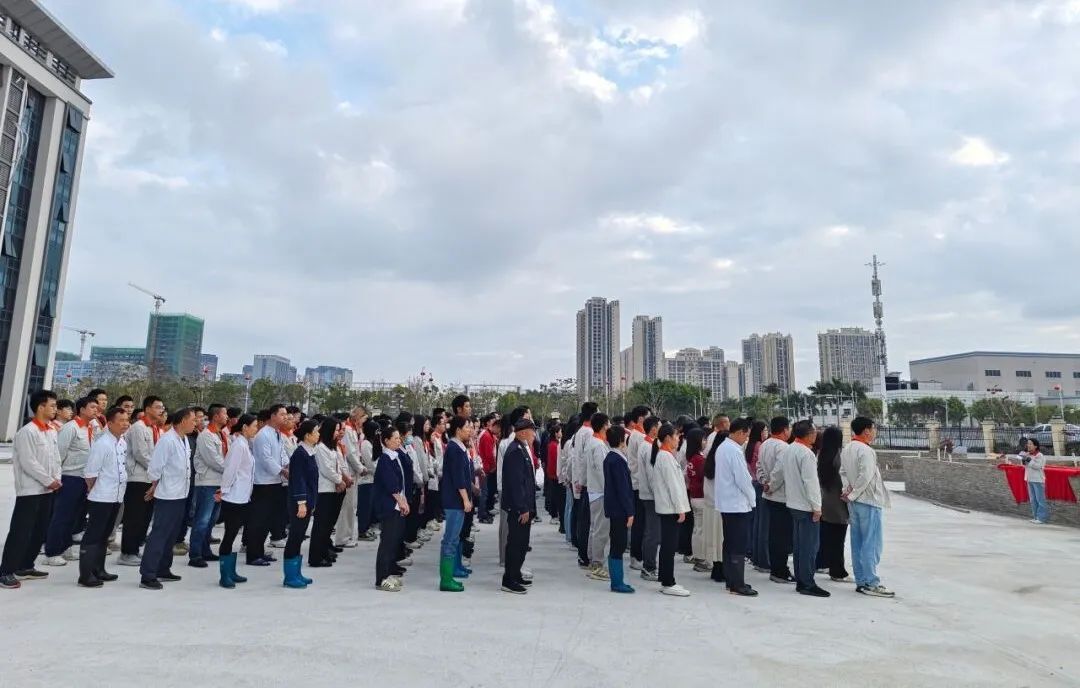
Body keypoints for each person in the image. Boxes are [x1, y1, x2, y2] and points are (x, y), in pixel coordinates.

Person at [0, 390, 61, 589]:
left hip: (48, 489)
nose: (55, 409)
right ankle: (6, 571)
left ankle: (25, 565)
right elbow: (28, 462)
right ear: (40, 407)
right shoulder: (27, 432)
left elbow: (56, 458)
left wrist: (56, 478)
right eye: (52, 405)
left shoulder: (51, 430)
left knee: (39, 531)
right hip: (31, 490)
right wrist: (48, 480)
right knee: (21, 531)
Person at [139, 408, 197, 590]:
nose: (195, 423)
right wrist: (154, 485)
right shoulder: (167, 440)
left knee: (171, 534)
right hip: (168, 495)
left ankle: (163, 568)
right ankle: (148, 575)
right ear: (182, 421)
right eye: (193, 420)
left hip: (181, 493)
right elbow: (155, 468)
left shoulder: (184, 439)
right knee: (160, 534)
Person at [840, 417, 895, 598]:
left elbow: (843, 472)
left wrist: (847, 490)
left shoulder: (848, 448)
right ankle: (871, 582)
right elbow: (866, 476)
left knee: (858, 542)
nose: (875, 432)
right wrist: (853, 493)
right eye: (873, 428)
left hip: (854, 502)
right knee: (871, 543)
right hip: (868, 501)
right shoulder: (866, 450)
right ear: (866, 431)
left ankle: (861, 580)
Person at [79, 405, 130, 588]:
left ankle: (99, 569)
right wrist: (96, 490)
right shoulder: (102, 443)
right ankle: (85, 574)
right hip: (101, 497)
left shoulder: (122, 442)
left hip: (116, 496)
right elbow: (90, 473)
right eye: (121, 421)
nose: (125, 424)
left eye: (127, 420)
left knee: (105, 535)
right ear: (110, 423)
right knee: (93, 535)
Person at [43, 396, 98, 566]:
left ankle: (65, 547)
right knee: (62, 516)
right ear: (81, 409)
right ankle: (52, 552)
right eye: (92, 407)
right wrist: (56, 477)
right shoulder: (71, 428)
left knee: (73, 516)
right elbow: (58, 454)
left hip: (83, 478)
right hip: (69, 477)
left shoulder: (89, 428)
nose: (96, 410)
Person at [781, 420, 829, 598]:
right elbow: (811, 482)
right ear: (809, 434)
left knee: (800, 546)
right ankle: (807, 582)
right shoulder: (806, 453)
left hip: (794, 503)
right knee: (809, 547)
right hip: (806, 505)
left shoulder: (790, 449)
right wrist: (817, 507)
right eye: (814, 432)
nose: (816, 435)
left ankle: (802, 580)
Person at [118, 396, 165, 567]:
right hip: (138, 478)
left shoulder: (156, 428)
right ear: (148, 409)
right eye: (158, 407)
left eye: (162, 407)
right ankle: (127, 552)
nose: (161, 410)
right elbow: (141, 454)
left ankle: (135, 548)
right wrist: (157, 471)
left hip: (151, 478)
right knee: (134, 516)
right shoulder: (139, 427)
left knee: (145, 517)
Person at [715, 418, 758, 597]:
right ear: (740, 432)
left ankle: (731, 580)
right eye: (746, 436)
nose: (746, 439)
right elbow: (743, 479)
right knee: (738, 545)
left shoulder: (722, 447)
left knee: (729, 543)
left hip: (727, 503)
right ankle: (737, 584)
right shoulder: (734, 450)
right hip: (737, 504)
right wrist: (753, 500)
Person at [649, 423, 691, 597]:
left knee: (668, 545)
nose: (678, 439)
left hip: (669, 507)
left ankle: (666, 579)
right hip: (670, 508)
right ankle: (668, 582)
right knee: (669, 545)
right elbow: (673, 486)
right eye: (676, 436)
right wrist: (680, 509)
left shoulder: (666, 455)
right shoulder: (665, 457)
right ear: (667, 438)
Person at [217, 413, 258, 589]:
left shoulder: (244, 444)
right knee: (229, 535)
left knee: (233, 534)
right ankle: (224, 575)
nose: (256, 429)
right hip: (233, 497)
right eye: (254, 426)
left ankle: (231, 570)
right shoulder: (238, 446)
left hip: (242, 496)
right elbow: (230, 470)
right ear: (244, 427)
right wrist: (224, 490)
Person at [247, 405, 288, 566]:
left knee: (268, 520)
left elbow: (282, 454)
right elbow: (265, 459)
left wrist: (287, 466)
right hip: (263, 483)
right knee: (258, 520)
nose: (285, 417)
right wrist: (282, 471)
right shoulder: (263, 434)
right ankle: (253, 554)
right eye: (282, 414)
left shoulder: (277, 433)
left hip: (275, 482)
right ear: (273, 416)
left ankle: (260, 551)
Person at [282, 419, 320, 589]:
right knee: (295, 536)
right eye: (316, 432)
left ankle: (296, 572)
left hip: (308, 500)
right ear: (307, 435)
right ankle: (290, 576)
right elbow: (298, 480)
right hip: (299, 502)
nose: (318, 434)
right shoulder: (300, 454)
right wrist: (302, 503)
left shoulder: (309, 452)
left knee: (299, 536)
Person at [501, 418, 537, 595]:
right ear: (522, 433)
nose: (534, 435)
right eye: (532, 431)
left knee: (522, 543)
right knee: (515, 543)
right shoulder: (515, 451)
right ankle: (509, 579)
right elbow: (516, 484)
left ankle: (516, 573)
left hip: (525, 505)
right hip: (518, 508)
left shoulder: (522, 448)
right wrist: (522, 508)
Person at [189, 404, 227, 568]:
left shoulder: (221, 434)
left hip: (219, 482)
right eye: (224, 414)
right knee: (202, 520)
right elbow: (214, 460)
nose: (226, 416)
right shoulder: (206, 436)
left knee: (211, 520)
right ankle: (195, 554)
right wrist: (231, 470)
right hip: (207, 482)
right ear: (216, 416)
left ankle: (205, 550)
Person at [439, 416, 474, 592]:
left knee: (454, 538)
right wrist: (466, 499)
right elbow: (458, 478)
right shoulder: (454, 449)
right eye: (467, 427)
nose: (470, 430)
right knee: (450, 539)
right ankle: (446, 579)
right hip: (454, 501)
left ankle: (451, 571)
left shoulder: (460, 447)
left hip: (457, 500)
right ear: (458, 430)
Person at [373, 427, 409, 592]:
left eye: (398, 438)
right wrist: (401, 502)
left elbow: (400, 484)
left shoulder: (395, 456)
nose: (398, 441)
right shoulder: (385, 459)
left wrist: (404, 501)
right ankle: (381, 579)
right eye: (395, 438)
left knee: (394, 540)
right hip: (389, 506)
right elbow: (391, 485)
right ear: (386, 441)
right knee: (387, 542)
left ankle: (388, 573)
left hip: (397, 504)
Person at [760, 416, 795, 584]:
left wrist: (764, 482)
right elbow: (780, 470)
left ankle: (776, 568)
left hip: (770, 495)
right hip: (780, 496)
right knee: (782, 536)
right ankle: (780, 570)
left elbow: (759, 466)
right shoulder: (783, 447)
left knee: (774, 534)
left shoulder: (765, 444)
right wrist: (771, 485)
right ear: (784, 430)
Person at [310, 418, 348, 568]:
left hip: (332, 488)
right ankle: (316, 557)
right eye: (336, 430)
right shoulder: (320, 448)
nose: (338, 433)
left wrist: (340, 480)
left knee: (327, 525)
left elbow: (337, 466)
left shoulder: (331, 447)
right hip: (324, 490)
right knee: (321, 525)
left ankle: (324, 552)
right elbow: (327, 469)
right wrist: (340, 480)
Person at [603, 425, 635, 594]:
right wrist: (629, 511)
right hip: (619, 509)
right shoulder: (617, 460)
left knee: (617, 543)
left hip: (614, 507)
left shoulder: (611, 457)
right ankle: (616, 581)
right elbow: (623, 489)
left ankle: (618, 579)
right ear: (622, 440)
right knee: (619, 544)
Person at [816, 426, 850, 582]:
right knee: (838, 539)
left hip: (825, 501)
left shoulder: (821, 455)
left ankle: (822, 563)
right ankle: (837, 571)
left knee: (825, 535)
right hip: (838, 502)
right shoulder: (839, 457)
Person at [336, 406, 368, 547]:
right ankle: (342, 537)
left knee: (351, 506)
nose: (363, 422)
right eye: (363, 419)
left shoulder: (354, 430)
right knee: (347, 506)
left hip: (353, 471)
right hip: (348, 471)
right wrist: (360, 468)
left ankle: (347, 535)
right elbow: (350, 453)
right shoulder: (348, 430)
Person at [585, 412, 612, 581]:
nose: (609, 428)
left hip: (594, 491)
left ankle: (592, 560)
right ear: (603, 426)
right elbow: (603, 472)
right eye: (608, 425)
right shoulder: (599, 445)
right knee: (601, 531)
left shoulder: (593, 442)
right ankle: (597, 564)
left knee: (594, 528)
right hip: (600, 492)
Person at [637, 416, 662, 581]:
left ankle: (649, 565)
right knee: (653, 533)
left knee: (652, 531)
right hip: (651, 496)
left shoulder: (648, 444)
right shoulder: (648, 447)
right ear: (653, 429)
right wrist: (659, 494)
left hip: (649, 494)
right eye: (659, 426)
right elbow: (652, 475)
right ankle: (649, 567)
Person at [571, 402, 597, 568]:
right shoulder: (588, 433)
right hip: (588, 482)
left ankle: (583, 554)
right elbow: (586, 460)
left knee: (583, 519)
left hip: (582, 480)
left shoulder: (580, 431)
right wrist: (582, 480)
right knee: (587, 521)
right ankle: (585, 555)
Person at [745, 420, 769, 572]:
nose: (766, 432)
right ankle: (762, 558)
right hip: (760, 484)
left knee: (756, 521)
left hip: (753, 482)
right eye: (765, 430)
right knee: (762, 523)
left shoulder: (750, 445)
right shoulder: (760, 446)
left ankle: (753, 553)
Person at [1008, 438, 1049, 524]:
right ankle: (1035, 517)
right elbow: (1025, 466)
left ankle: (1041, 518)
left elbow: (1038, 466)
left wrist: (1029, 460)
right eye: (1028, 444)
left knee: (1040, 500)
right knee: (1033, 500)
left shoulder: (1039, 455)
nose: (1028, 445)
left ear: (1035, 446)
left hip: (1038, 480)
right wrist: (1023, 460)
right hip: (1029, 479)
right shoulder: (1028, 454)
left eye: (1030, 444)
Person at [684, 427, 707, 573]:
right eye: (703, 439)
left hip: (694, 496)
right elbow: (704, 479)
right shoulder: (699, 459)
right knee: (701, 530)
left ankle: (697, 557)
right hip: (701, 497)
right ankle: (701, 559)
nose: (705, 442)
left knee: (697, 529)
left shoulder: (692, 458)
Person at [356, 419, 380, 540]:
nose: (378, 433)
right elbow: (370, 464)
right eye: (376, 431)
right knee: (364, 507)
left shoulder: (372, 443)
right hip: (366, 480)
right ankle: (362, 531)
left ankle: (366, 528)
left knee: (370, 507)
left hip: (372, 479)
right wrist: (380, 471)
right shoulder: (366, 443)